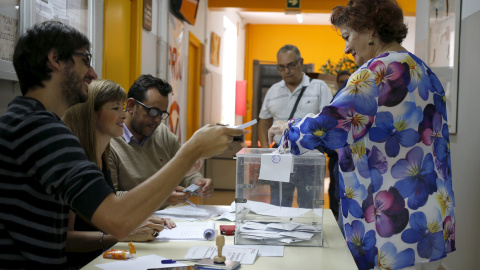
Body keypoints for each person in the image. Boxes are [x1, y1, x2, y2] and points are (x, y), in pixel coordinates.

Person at [0, 21, 242, 268]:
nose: (92, 73)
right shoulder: (43, 132)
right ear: (56, 59)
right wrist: (192, 150)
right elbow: (116, 220)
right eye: (85, 59)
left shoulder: (23, 122)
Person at [268, 1, 455, 269]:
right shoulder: (422, 69)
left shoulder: (376, 73)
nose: (346, 47)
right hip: (428, 212)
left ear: (369, 29)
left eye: (348, 36)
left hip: (391, 217)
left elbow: (331, 124)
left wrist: (287, 128)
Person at [62, 79, 176, 268]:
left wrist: (139, 221)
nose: (124, 115)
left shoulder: (104, 154)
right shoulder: (75, 163)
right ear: (90, 114)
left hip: (107, 258)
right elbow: (65, 239)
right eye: (115, 108)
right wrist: (118, 234)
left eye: (123, 108)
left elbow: (107, 212)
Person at [109, 74, 213, 209]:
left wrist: (197, 182)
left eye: (162, 114)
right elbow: (111, 200)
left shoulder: (162, 134)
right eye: (152, 112)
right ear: (131, 105)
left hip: (167, 220)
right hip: (134, 224)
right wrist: (159, 196)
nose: (157, 120)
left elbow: (184, 171)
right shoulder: (110, 142)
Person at [258, 44, 332, 208]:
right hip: (280, 154)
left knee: (308, 205)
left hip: (310, 154)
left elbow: (329, 121)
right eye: (281, 67)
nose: (287, 71)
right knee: (278, 204)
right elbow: (264, 121)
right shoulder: (273, 91)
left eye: (291, 65)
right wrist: (265, 149)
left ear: (301, 62)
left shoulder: (319, 87)